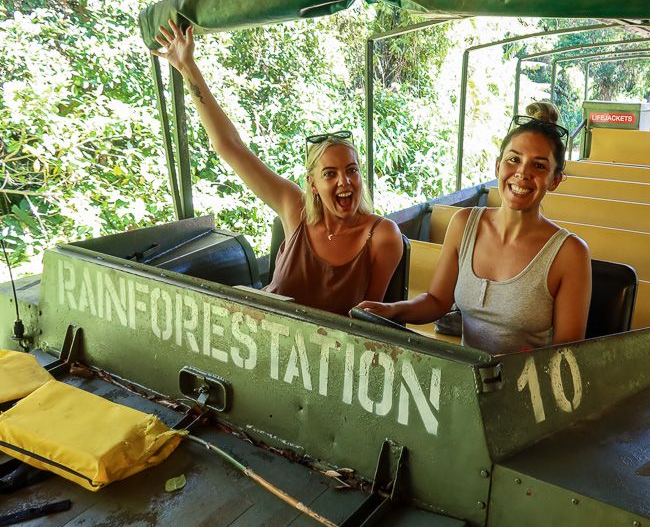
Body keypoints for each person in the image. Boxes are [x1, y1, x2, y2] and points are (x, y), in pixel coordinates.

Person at [152, 20, 403, 316]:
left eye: (352, 170)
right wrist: (186, 67)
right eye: (330, 174)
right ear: (313, 184)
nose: (344, 182)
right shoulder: (293, 207)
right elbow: (229, 145)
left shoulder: (382, 236)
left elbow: (369, 322)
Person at [358, 102, 592, 354]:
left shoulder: (570, 254)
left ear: (554, 180)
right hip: (467, 377)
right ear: (497, 166)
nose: (522, 173)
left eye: (539, 165)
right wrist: (392, 309)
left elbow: (567, 352)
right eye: (513, 160)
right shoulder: (463, 224)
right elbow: (437, 301)